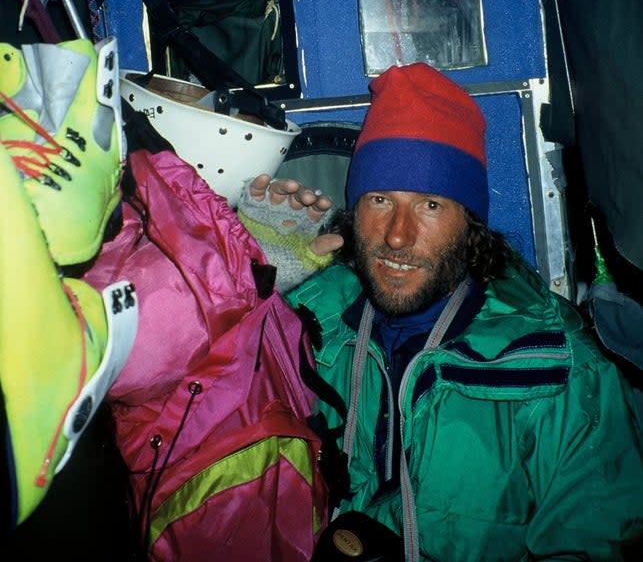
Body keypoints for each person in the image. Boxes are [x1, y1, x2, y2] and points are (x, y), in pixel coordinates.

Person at [241, 62, 643, 561]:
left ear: (469, 225)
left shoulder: (559, 370)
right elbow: (206, 422)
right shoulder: (309, 332)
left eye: (430, 204)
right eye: (380, 199)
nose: (397, 235)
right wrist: (255, 291)